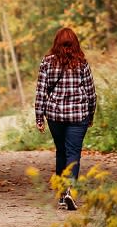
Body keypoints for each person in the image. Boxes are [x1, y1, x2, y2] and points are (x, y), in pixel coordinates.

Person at [34, 27, 97, 210]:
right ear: (75, 43)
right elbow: (91, 92)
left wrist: (39, 117)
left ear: (56, 43)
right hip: (78, 115)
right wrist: (91, 113)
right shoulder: (82, 62)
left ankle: (62, 195)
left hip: (55, 115)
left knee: (61, 152)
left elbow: (41, 92)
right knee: (73, 152)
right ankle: (70, 190)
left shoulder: (47, 62)